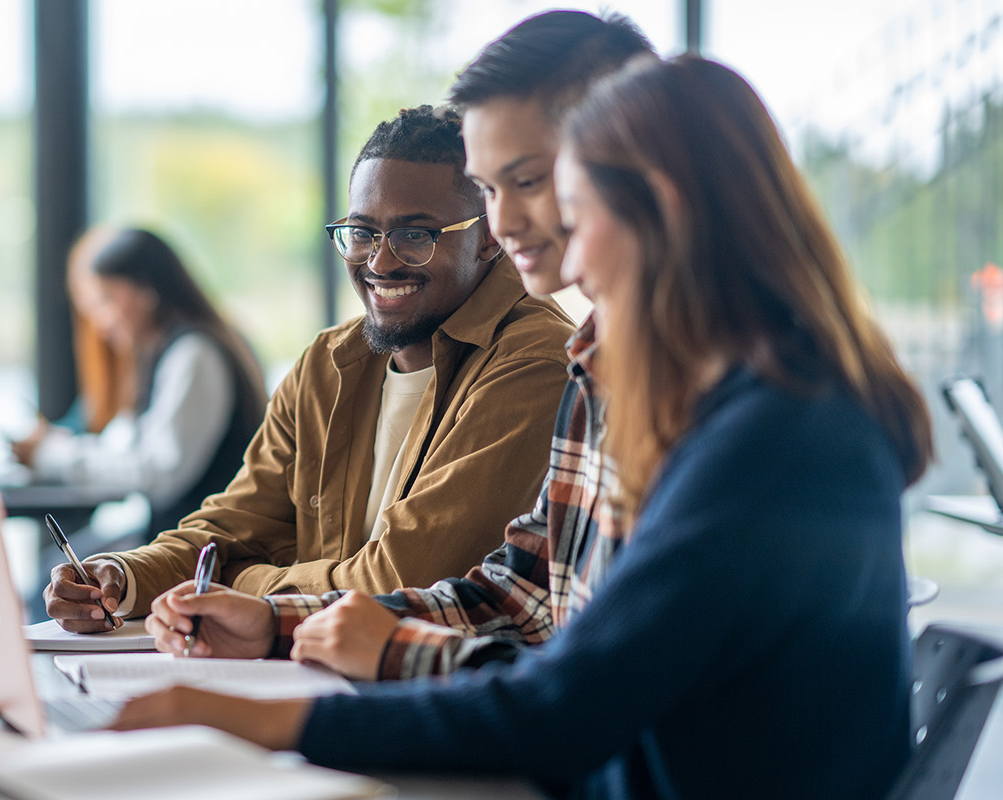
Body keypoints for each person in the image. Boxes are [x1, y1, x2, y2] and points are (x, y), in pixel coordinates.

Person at [111, 54, 933, 800]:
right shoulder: (676, 392)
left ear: (661, 211)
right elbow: (525, 593)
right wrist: (285, 624)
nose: (565, 263)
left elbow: (568, 705)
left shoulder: (776, 437)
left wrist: (268, 719)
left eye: (569, 210)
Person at [140, 9, 658, 681]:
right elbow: (516, 599)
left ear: (637, 168)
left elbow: (587, 688)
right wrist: (273, 621)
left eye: (530, 181)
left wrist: (262, 614)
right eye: (495, 188)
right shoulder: (600, 369)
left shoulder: (688, 390)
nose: (507, 221)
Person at [44, 105, 578, 632]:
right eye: (363, 232)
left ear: (488, 235)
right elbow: (231, 526)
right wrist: (122, 575)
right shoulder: (330, 363)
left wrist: (236, 584)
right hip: (309, 670)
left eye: (416, 235)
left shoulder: (533, 362)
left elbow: (398, 583)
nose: (379, 262)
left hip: (434, 692)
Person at [10, 226, 269, 534]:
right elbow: (127, 448)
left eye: (107, 300)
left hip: (205, 552)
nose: (100, 323)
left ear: (146, 291)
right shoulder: (162, 354)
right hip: (183, 542)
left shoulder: (194, 355)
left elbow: (160, 473)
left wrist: (52, 455)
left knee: (55, 576)